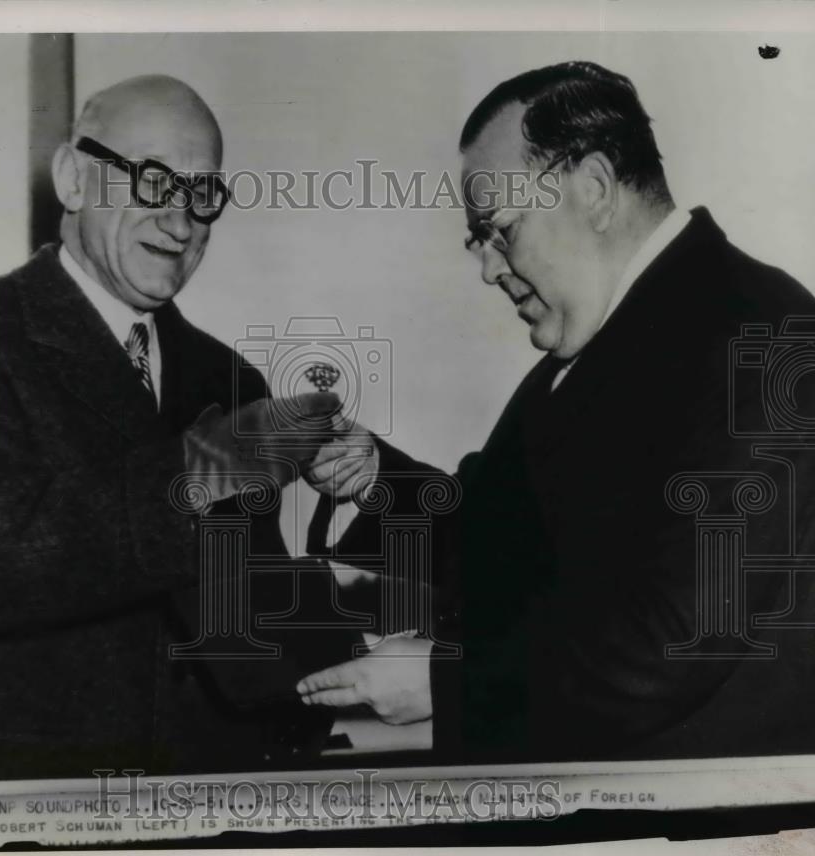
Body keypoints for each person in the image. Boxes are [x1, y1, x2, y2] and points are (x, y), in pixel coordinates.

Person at [296, 61, 815, 762]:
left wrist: (447, 682)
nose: (488, 269)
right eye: (478, 241)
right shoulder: (607, 344)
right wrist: (374, 478)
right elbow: (494, 536)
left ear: (594, 189)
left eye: (500, 229)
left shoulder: (762, 338)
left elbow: (670, 642)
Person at [0, 74, 356, 781]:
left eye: (202, 193)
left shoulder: (230, 380)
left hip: (213, 799)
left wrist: (363, 629)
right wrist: (204, 468)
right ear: (73, 178)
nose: (181, 223)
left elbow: (238, 625)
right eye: (155, 182)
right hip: (31, 807)